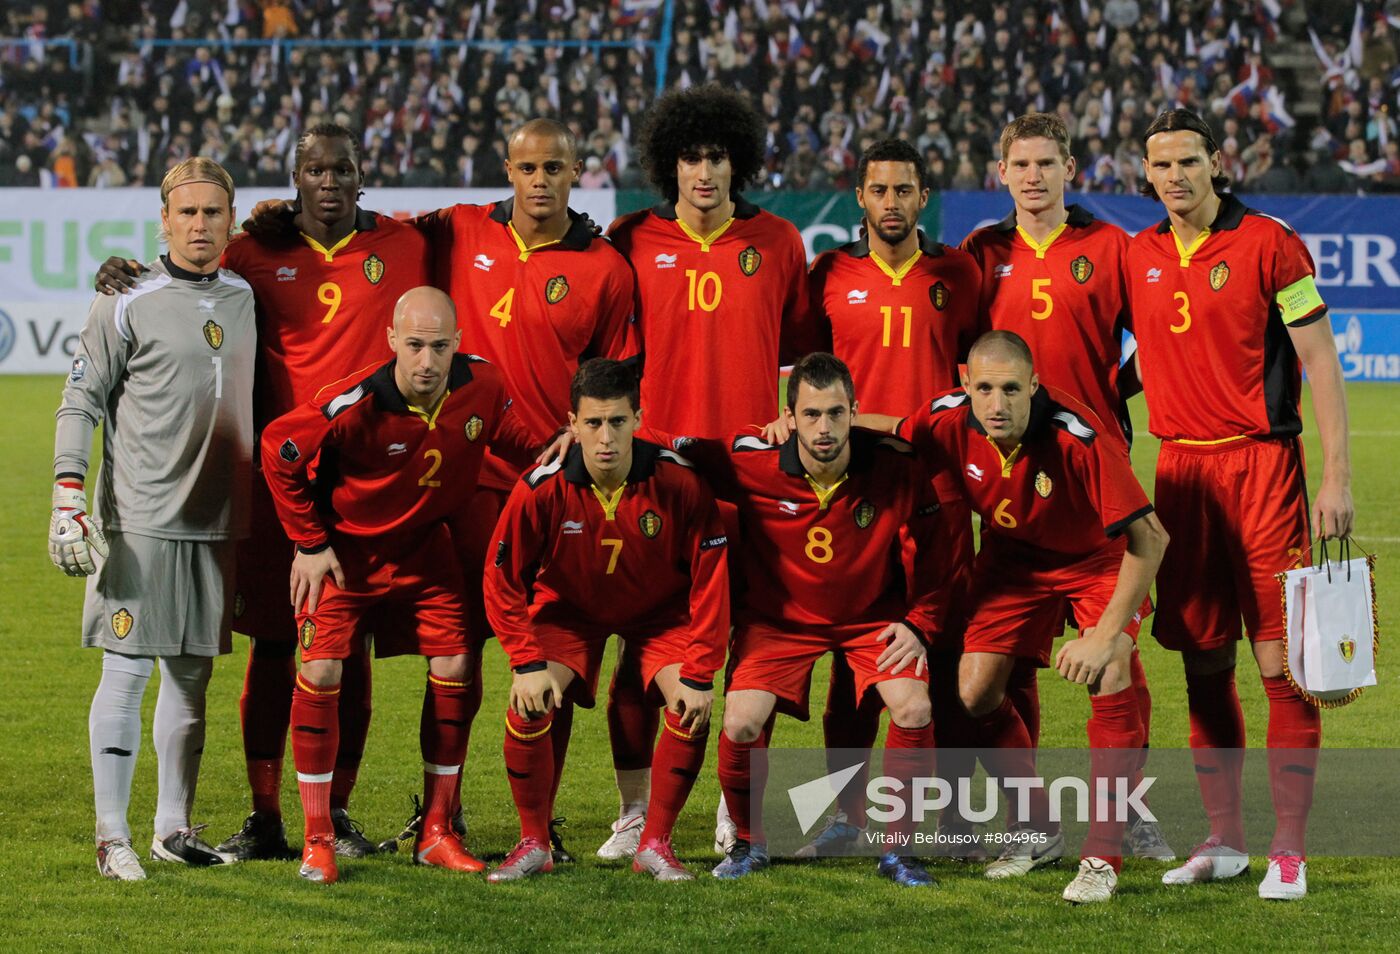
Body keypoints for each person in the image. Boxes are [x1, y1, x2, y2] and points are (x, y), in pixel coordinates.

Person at [96, 123, 433, 862]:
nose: (329, 181)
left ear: (360, 174)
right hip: (277, 488)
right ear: (295, 177)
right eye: (314, 170)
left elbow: (478, 231)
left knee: (350, 651)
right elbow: (188, 278)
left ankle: (335, 813)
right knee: (276, 646)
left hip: (367, 485)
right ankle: (264, 815)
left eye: (342, 168)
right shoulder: (253, 252)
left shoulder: (405, 245)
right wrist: (127, 270)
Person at [1129, 108, 1354, 901]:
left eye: (1190, 160)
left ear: (1216, 162)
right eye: (1163, 165)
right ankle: (1224, 839)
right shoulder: (1140, 254)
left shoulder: (1269, 244)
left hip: (1262, 471)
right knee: (1202, 658)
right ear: (1147, 174)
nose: (1178, 176)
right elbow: (1136, 360)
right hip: (1181, 477)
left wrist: (1336, 477)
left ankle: (1288, 850)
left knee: (1279, 665)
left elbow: (1320, 360)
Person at [601, 84, 816, 861]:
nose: (704, 171)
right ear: (670, 164)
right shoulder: (631, 239)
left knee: (746, 644)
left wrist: (792, 410)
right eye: (690, 156)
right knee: (643, 644)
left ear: (739, 162)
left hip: (751, 476)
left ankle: (735, 809)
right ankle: (633, 812)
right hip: (656, 470)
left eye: (717, 156)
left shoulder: (781, 241)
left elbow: (802, 353)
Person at [258, 286, 538, 884]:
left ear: (458, 343)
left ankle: (436, 831)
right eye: (414, 345)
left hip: (425, 550)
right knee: (322, 671)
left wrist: (564, 448)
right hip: (348, 557)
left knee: (459, 662)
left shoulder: (481, 384)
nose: (427, 361)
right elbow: (278, 450)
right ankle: (317, 837)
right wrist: (309, 543)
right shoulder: (354, 402)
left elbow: (516, 438)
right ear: (392, 342)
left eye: (439, 346)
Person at [891, 331, 1168, 903]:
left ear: (1034, 386)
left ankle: (1102, 857)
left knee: (1112, 668)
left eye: (1012, 389)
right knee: (973, 691)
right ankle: (1037, 828)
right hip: (1014, 563)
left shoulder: (1079, 436)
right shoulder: (945, 419)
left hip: (1098, 559)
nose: (998, 404)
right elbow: (889, 429)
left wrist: (1106, 635)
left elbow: (1151, 536)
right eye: (985, 388)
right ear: (966, 386)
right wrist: (799, 425)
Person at [648, 353, 944, 887]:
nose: (824, 428)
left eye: (836, 414)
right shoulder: (750, 459)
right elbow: (671, 444)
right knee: (740, 720)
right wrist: (582, 434)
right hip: (778, 622)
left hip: (869, 618)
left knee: (915, 706)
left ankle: (902, 850)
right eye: (810, 415)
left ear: (855, 411)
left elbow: (940, 551)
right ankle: (748, 843)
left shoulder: (897, 464)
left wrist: (920, 622)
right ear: (789, 416)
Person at [959, 112, 1169, 862]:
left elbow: (1157, 337)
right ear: (1002, 172)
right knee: (995, 671)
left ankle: (1128, 813)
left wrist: (1113, 395)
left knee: (1115, 658)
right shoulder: (982, 255)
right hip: (1015, 486)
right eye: (1022, 165)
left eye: (1048, 164)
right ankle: (1034, 820)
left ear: (1071, 170)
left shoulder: (1109, 248)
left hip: (1093, 485)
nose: (1034, 177)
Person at [53, 157, 256, 880]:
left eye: (213, 212)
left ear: (232, 220)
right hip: (140, 521)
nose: (200, 225)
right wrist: (68, 497)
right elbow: (80, 400)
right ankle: (112, 837)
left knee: (192, 680)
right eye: (188, 212)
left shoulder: (245, 294)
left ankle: (173, 827)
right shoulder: (124, 298)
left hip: (218, 521)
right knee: (127, 670)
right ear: (164, 219)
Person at [801, 136, 982, 856]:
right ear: (861, 198)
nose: (892, 203)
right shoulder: (829, 274)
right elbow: (807, 376)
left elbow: (984, 371)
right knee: (855, 665)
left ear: (922, 198)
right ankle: (845, 818)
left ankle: (952, 820)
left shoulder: (960, 274)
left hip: (941, 487)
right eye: (879, 190)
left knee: (946, 656)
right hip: (855, 491)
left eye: (904, 190)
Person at [483, 358, 730, 883]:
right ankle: (535, 842)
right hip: (570, 613)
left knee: (689, 705)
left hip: (659, 615)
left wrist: (701, 671)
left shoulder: (679, 481)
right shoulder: (540, 487)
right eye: (592, 423)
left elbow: (711, 580)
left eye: (617, 422)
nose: (605, 438)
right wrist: (525, 662)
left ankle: (655, 844)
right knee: (529, 702)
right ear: (571, 423)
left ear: (638, 417)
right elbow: (500, 577)